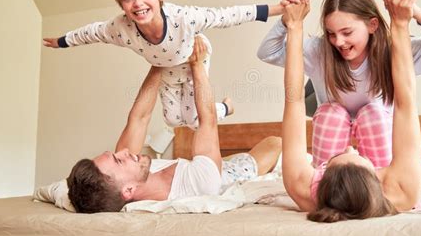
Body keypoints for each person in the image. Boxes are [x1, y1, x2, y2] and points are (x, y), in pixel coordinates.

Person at [44, 0, 285, 130]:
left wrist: (280, 9)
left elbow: (229, 14)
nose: (137, 3)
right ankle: (214, 108)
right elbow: (91, 32)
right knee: (172, 120)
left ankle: (225, 107)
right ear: (121, 5)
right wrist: (62, 41)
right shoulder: (120, 28)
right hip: (165, 69)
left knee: (194, 121)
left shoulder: (184, 18)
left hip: (193, 60)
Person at [67, 37, 281, 213]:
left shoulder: (128, 175)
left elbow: (139, 117)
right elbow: (207, 120)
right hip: (227, 174)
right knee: (276, 142)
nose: (123, 152)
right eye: (118, 160)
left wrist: (159, 61)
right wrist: (198, 65)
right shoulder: (198, 186)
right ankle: (226, 107)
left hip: (198, 163)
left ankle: (224, 109)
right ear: (128, 191)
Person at [258, 0, 421, 167]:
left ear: (372, 25)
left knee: (373, 113)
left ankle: (383, 185)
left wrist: (417, 13)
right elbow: (267, 52)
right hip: (331, 131)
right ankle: (324, 182)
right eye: (331, 33)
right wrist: (287, 21)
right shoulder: (320, 51)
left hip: (380, 137)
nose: (339, 42)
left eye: (347, 32)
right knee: (330, 113)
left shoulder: (395, 51)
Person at [281, 0, 421, 222]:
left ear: (321, 178)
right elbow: (405, 100)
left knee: (363, 114)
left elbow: (293, 99)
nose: (350, 146)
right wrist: (400, 24)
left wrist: (295, 26)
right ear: (377, 178)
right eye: (359, 155)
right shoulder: (402, 192)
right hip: (385, 179)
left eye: (331, 163)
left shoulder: (306, 191)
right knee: (365, 112)